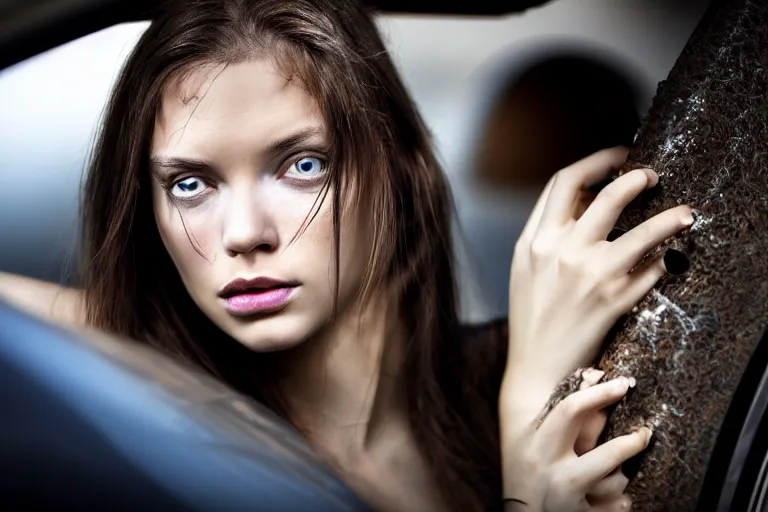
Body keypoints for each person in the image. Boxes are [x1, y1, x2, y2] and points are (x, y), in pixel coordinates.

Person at [0, 0, 694, 510]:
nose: (244, 233)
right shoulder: (137, 411)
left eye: (302, 166)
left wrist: (532, 390)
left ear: (401, 168)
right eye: (190, 184)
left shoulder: (521, 375)